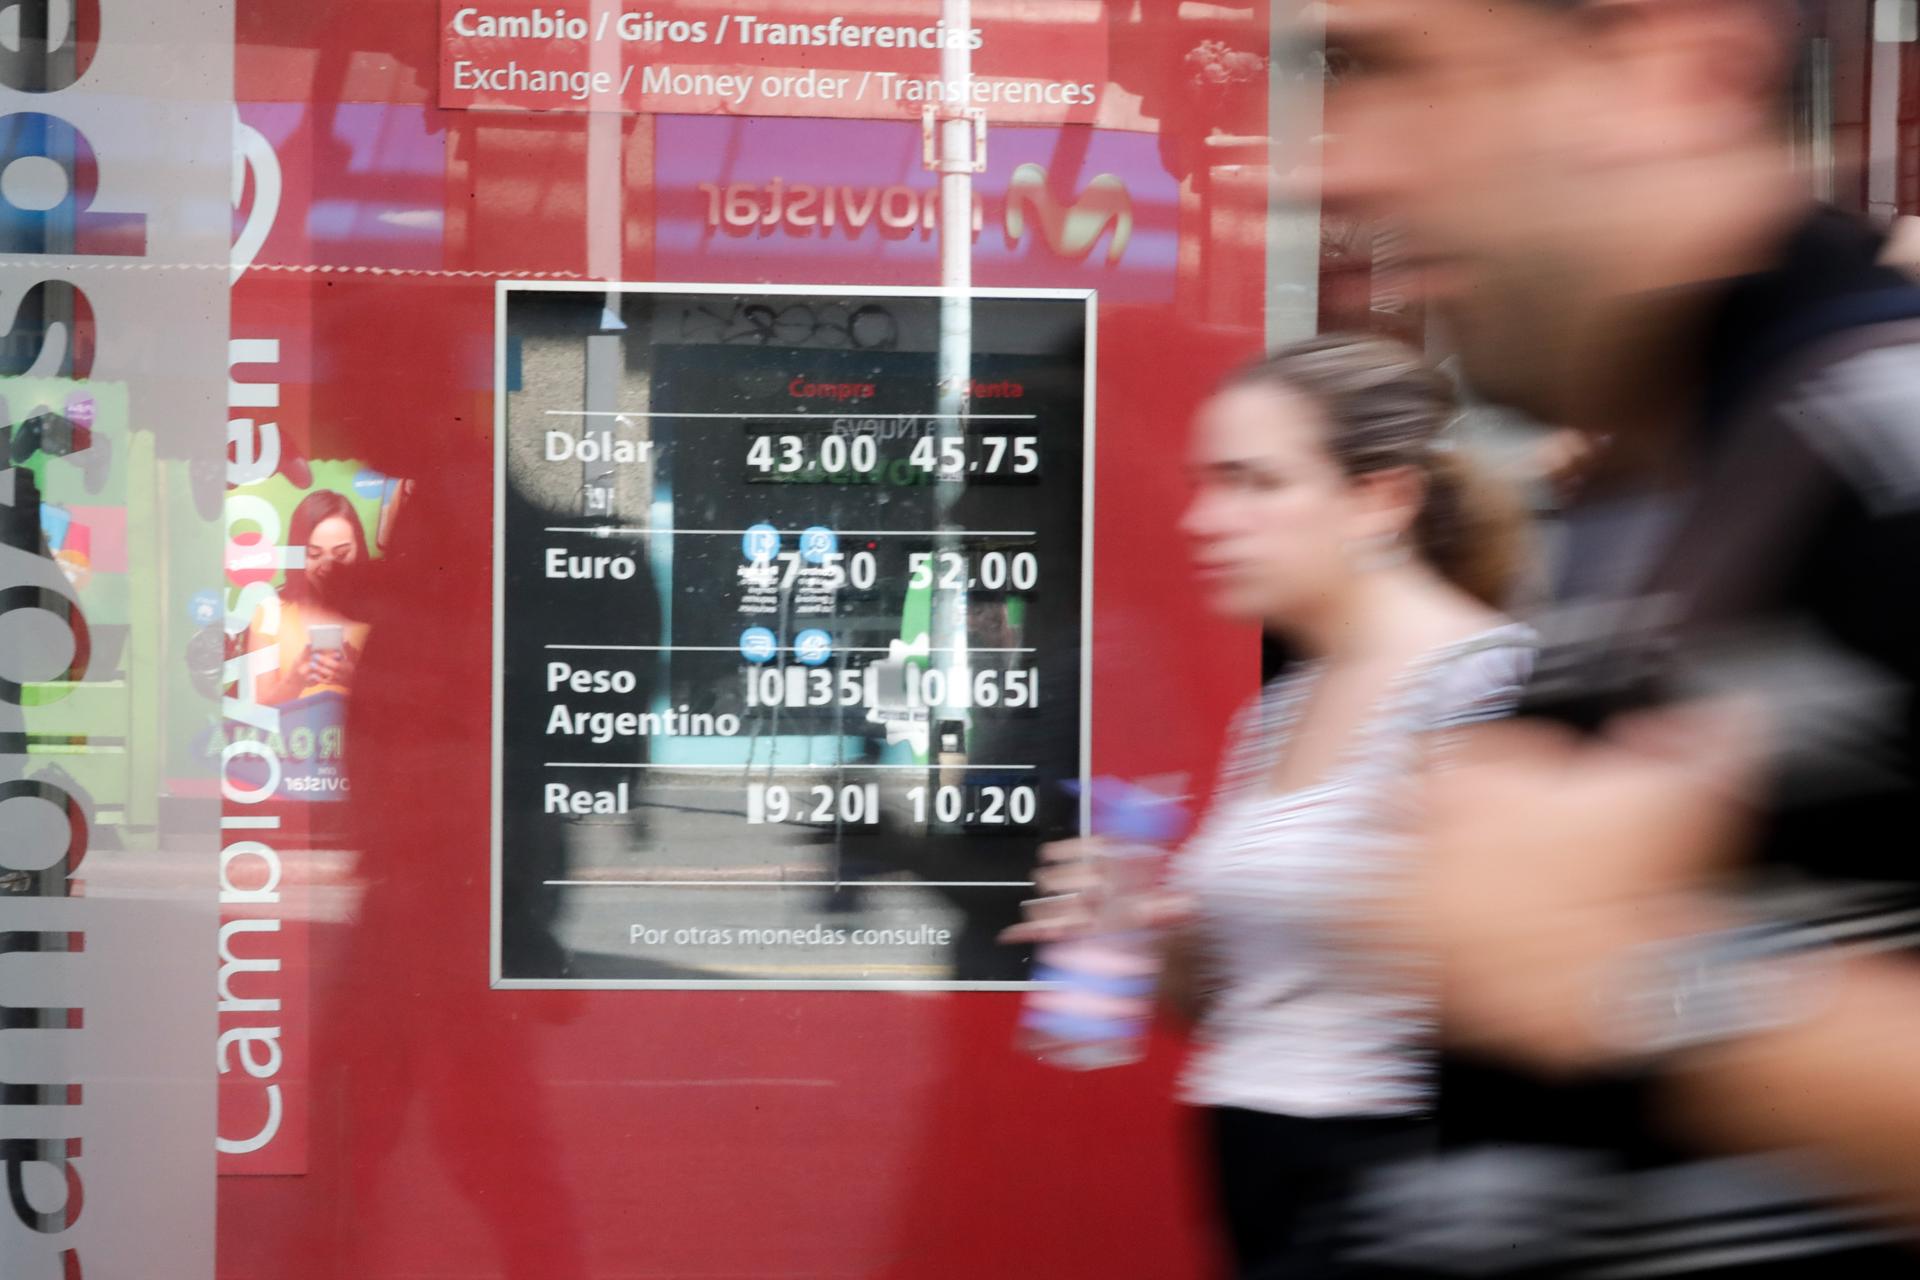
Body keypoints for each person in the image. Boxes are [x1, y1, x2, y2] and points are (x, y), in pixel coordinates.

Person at [1311, 0, 1920, 1272]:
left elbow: (1598, 967)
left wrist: (1634, 981)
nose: (1341, 165)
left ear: (1671, 69)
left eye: (1401, 70)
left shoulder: (1886, 442)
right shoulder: (1670, 473)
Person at [1009, 334, 1536, 1278]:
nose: (1206, 519)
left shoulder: (1484, 682)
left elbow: (1534, 994)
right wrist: (1137, 927)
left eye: (1254, 484)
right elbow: (1234, 1001)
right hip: (1262, 1175)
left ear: (1379, 499)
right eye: (1206, 482)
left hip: (1394, 1182)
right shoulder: (1281, 707)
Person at [245, 487, 372, 705]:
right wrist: (295, 681)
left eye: (341, 554)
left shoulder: (381, 614)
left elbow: (410, 711)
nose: (328, 567)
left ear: (358, 548)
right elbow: (255, 713)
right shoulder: (270, 613)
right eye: (314, 555)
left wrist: (356, 680)